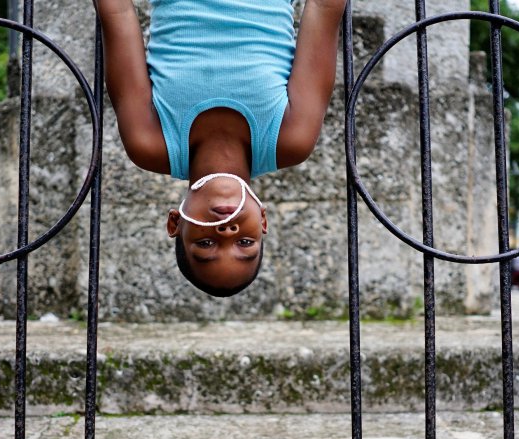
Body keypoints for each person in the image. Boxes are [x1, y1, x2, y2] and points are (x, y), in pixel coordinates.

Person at [94, 0, 346, 296]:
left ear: (175, 222)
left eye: (205, 244)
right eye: (245, 243)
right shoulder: (291, 138)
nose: (227, 232)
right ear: (262, 220)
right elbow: (324, 8)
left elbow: (118, 13)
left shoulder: (149, 142)